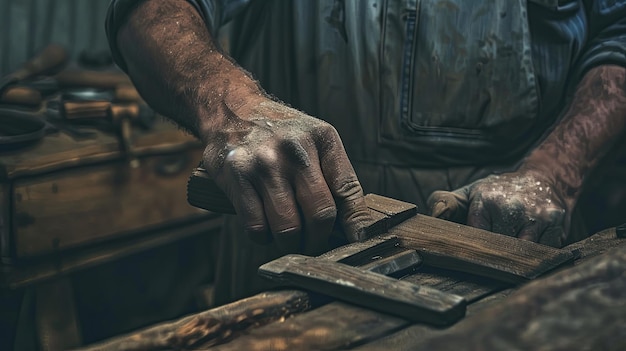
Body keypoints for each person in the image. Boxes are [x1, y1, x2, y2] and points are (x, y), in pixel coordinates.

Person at [105, 0, 626, 303]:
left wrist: (555, 170)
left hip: (501, 227)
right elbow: (146, 10)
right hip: (281, 206)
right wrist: (234, 110)